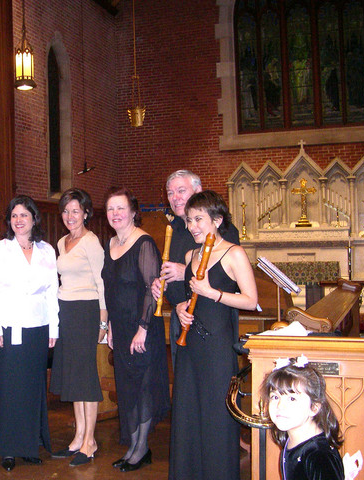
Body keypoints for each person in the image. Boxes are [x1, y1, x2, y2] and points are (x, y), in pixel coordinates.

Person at [169, 190, 257, 480]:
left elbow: (250, 301)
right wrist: (181, 307)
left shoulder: (234, 253)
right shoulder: (190, 255)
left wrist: (213, 293)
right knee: (188, 416)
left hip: (218, 346)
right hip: (190, 345)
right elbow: (186, 299)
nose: (192, 226)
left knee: (217, 418)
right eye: (190, 220)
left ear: (217, 220)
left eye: (199, 219)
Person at [0, 195, 59, 472]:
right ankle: (7, 448)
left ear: (34, 218)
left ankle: (29, 444)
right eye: (14, 216)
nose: (18, 220)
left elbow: (52, 291)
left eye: (24, 215)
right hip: (6, 328)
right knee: (6, 388)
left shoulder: (47, 250)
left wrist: (53, 327)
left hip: (37, 328)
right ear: (9, 221)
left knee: (31, 387)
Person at [101, 187, 171, 473]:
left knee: (142, 387)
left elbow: (151, 289)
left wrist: (142, 328)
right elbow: (109, 289)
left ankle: (141, 448)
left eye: (121, 208)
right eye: (110, 209)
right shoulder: (110, 245)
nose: (116, 214)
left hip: (141, 325)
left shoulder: (144, 243)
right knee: (127, 388)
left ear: (133, 212)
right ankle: (133, 445)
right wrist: (111, 328)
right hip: (120, 325)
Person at [153, 170, 239, 370]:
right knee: (186, 386)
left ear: (198, 191)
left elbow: (228, 278)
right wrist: (161, 284)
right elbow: (170, 272)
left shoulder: (223, 229)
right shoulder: (173, 230)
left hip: (211, 321)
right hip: (180, 315)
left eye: (181, 191)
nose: (175, 198)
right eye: (170, 193)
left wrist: (185, 272)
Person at [50, 188, 107, 467]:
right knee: (73, 374)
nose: (70, 216)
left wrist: (103, 321)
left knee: (85, 376)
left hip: (87, 311)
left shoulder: (91, 242)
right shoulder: (62, 242)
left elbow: (102, 282)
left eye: (75, 211)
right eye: (66, 211)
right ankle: (78, 437)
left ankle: (90, 441)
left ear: (85, 213)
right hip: (66, 311)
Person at [260, 356, 344, 480]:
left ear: (314, 408)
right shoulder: (291, 438)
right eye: (275, 397)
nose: (280, 406)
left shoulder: (319, 456)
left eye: (292, 399)